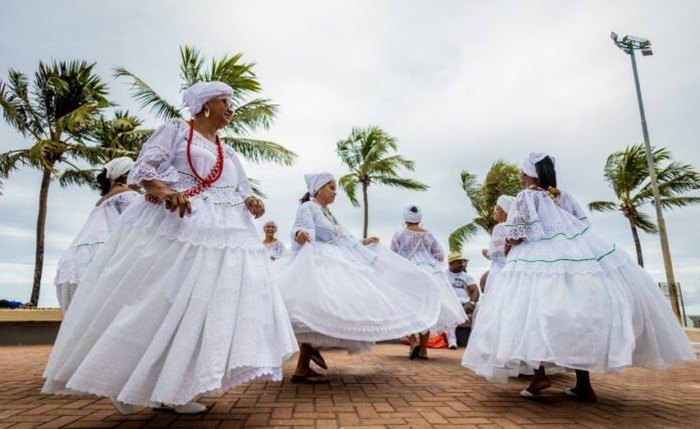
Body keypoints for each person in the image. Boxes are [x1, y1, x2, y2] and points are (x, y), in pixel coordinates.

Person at [42, 81, 298, 414]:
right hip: (177, 228)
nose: (231, 108)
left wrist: (250, 200)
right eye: (225, 101)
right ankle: (123, 380)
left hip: (221, 236)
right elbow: (144, 169)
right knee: (156, 302)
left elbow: (239, 188)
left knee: (201, 310)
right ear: (205, 104)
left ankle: (174, 388)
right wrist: (165, 191)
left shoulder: (227, 150)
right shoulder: (177, 130)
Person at [462, 152, 695, 402]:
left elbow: (518, 231)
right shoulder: (562, 195)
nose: (520, 177)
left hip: (536, 258)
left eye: (522, 172)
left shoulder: (526, 196)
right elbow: (583, 223)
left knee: (534, 312)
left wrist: (508, 245)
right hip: (576, 255)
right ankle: (583, 384)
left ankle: (539, 375)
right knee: (577, 314)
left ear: (529, 174)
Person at [273, 173, 463, 382]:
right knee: (317, 311)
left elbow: (345, 240)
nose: (335, 192)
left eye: (336, 188)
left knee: (328, 311)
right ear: (318, 189)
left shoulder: (329, 214)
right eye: (331, 187)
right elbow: (300, 230)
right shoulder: (308, 207)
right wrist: (300, 233)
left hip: (334, 262)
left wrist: (364, 242)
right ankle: (303, 365)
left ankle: (306, 359)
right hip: (317, 264)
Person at [53, 157, 140, 312]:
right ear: (127, 174)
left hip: (76, 260)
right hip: (104, 256)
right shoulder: (128, 195)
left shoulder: (103, 199)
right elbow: (136, 225)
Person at [391, 205, 466, 358]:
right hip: (429, 272)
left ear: (405, 219)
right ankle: (424, 349)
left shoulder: (399, 233)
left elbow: (393, 253)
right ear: (420, 219)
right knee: (427, 308)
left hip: (408, 271)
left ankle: (413, 342)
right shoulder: (429, 235)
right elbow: (439, 254)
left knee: (409, 307)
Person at [480, 195, 515, 294]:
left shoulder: (499, 228)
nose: (494, 211)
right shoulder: (515, 227)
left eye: (497, 208)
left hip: (499, 270)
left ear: (505, 212)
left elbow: (497, 254)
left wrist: (487, 253)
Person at [445, 252, 478, 349]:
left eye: (462, 262)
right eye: (458, 262)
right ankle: (452, 341)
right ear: (451, 263)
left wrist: (471, 303)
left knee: (479, 308)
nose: (462, 264)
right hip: (451, 301)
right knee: (449, 309)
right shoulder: (443, 275)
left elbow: (475, 290)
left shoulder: (467, 276)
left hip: (465, 302)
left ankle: (474, 341)